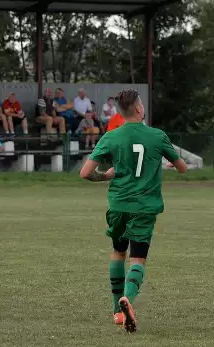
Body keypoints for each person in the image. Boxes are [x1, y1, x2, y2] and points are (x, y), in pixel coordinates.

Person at [79, 89, 188, 333]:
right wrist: (171, 162)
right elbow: (182, 168)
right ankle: (127, 298)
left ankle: (117, 311)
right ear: (139, 109)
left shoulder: (111, 137)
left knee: (118, 252)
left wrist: (104, 176)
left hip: (118, 204)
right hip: (144, 207)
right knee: (137, 258)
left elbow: (85, 173)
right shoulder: (157, 136)